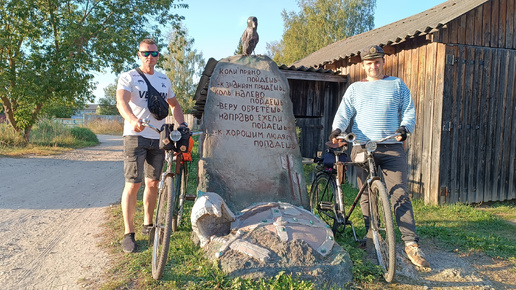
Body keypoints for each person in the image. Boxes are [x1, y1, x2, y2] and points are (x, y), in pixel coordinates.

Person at [329, 45, 430, 268]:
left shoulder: (396, 84)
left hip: (391, 146)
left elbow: (409, 109)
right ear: (363, 65)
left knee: (400, 193)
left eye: (377, 62)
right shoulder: (355, 89)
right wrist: (337, 130)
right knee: (365, 192)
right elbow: (344, 112)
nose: (373, 66)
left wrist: (406, 128)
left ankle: (411, 243)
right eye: (369, 63)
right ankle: (371, 234)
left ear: (383, 63)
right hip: (362, 147)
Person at [116, 38, 187, 253]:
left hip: (158, 138)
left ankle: (149, 225)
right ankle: (129, 233)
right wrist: (131, 120)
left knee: (153, 183)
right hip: (135, 137)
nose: (150, 57)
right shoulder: (129, 77)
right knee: (133, 185)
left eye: (154, 53)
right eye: (146, 53)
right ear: (138, 54)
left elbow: (174, 105)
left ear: (158, 56)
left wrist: (183, 124)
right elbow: (122, 102)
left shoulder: (164, 80)